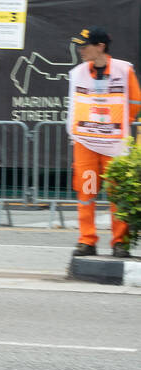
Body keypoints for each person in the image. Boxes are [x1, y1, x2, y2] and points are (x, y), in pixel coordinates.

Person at [66, 26, 141, 258]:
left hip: (114, 145)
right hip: (86, 144)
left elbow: (135, 101)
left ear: (100, 47)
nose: (81, 50)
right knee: (86, 193)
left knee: (117, 194)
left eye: (85, 46)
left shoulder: (123, 70)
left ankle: (120, 242)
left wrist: (120, 126)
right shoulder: (78, 72)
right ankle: (87, 240)